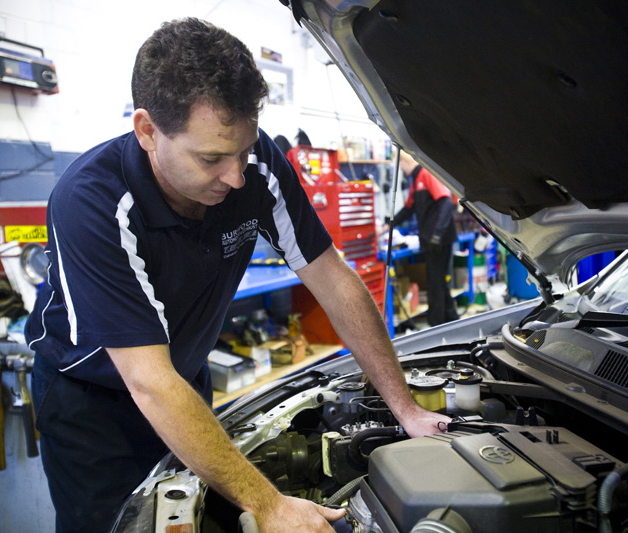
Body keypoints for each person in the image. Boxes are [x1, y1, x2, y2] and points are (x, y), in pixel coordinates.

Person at [25, 18, 447, 533]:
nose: (236, 175)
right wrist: (271, 506)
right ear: (147, 131)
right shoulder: (91, 202)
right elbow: (148, 380)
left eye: (244, 150)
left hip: (183, 380)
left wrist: (404, 409)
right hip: (92, 406)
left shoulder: (256, 165)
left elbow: (333, 280)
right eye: (211, 158)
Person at [388, 153, 460, 327]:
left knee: (435, 283)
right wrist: (388, 224)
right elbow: (408, 209)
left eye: (399, 165)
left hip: (439, 240)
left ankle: (436, 325)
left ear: (404, 161)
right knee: (438, 281)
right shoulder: (416, 180)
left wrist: (437, 234)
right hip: (430, 240)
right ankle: (451, 320)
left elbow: (445, 202)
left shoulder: (426, 174)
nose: (401, 171)